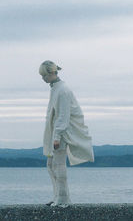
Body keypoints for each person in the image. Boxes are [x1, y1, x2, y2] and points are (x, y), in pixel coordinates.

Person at [39, 60, 94, 207]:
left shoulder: (63, 90)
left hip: (61, 133)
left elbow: (63, 116)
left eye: (44, 75)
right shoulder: (56, 88)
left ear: (52, 73)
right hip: (56, 132)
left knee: (58, 164)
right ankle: (58, 196)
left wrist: (57, 137)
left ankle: (63, 199)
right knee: (51, 165)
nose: (43, 78)